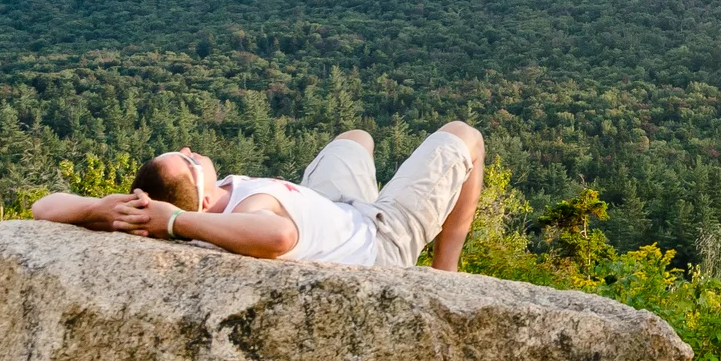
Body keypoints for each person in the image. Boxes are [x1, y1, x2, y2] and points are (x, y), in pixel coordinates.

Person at [29, 123, 485, 271]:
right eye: (188, 159)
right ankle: (443, 276)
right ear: (203, 201)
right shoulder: (243, 214)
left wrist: (97, 208)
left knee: (356, 137)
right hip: (377, 238)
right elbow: (280, 235)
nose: (190, 150)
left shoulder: (164, 206)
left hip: (331, 208)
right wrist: (172, 223)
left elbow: (42, 207)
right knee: (464, 136)